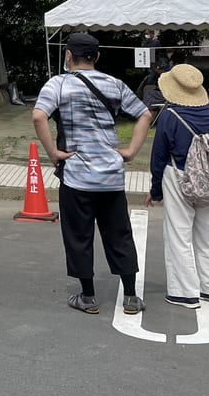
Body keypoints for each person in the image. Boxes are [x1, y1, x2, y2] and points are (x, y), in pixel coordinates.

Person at [32, 31, 151, 315]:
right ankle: (131, 296)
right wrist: (131, 150)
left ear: (68, 56)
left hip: (77, 176)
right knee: (119, 234)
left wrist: (53, 153)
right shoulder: (114, 84)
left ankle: (88, 296)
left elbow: (38, 116)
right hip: (110, 175)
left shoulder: (58, 84)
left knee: (79, 235)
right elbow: (145, 114)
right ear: (97, 57)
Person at [146, 64, 209, 309]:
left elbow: (158, 157)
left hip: (178, 176)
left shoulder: (170, 116)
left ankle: (184, 292)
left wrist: (155, 190)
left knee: (179, 234)